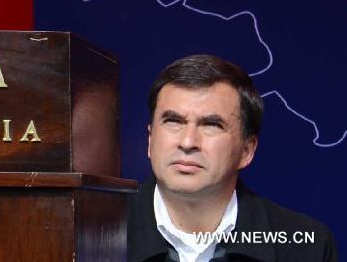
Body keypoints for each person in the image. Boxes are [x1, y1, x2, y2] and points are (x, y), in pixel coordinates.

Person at [128, 54, 338, 261]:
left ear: (247, 151)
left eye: (211, 125)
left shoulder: (307, 248)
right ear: (150, 139)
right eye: (173, 121)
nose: (187, 142)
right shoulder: (97, 228)